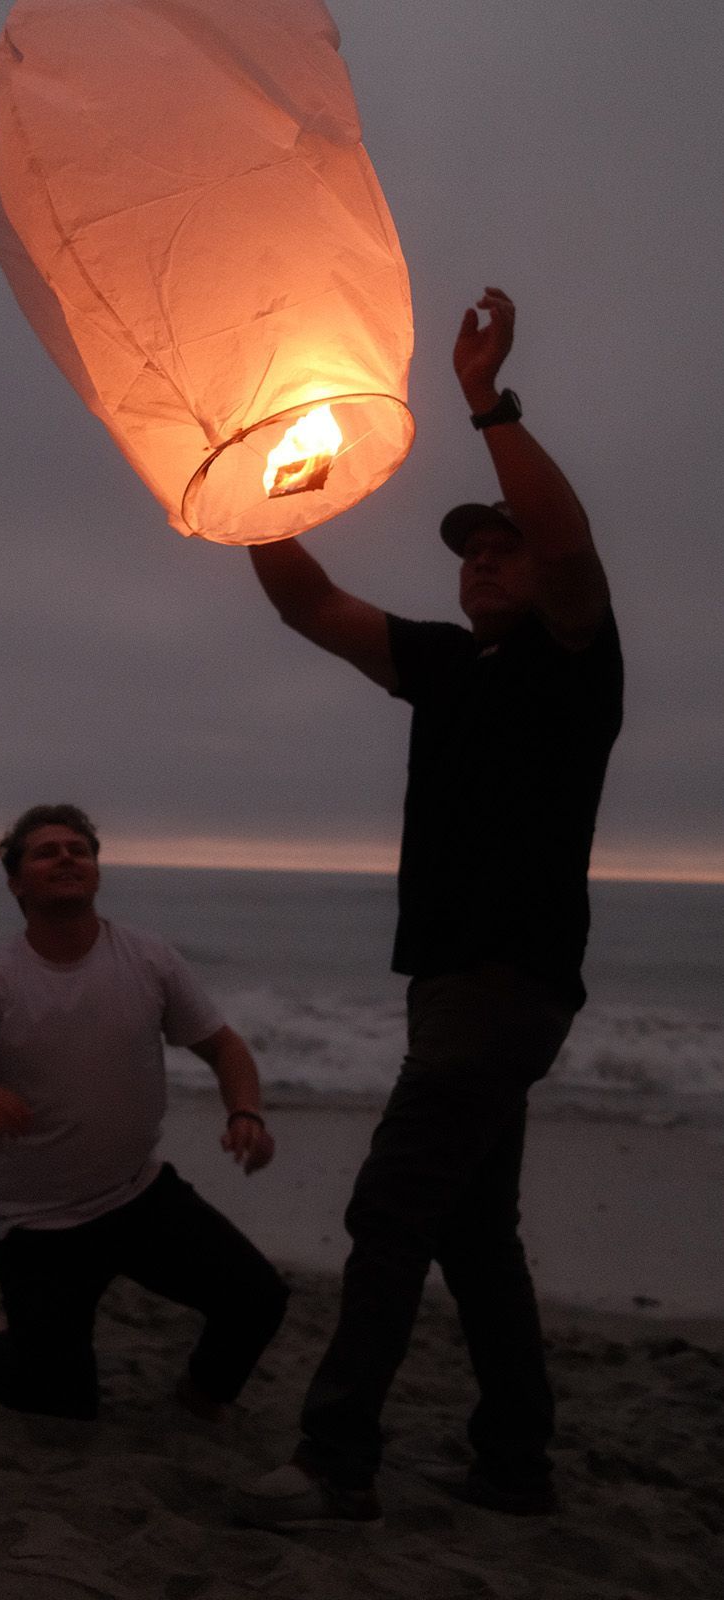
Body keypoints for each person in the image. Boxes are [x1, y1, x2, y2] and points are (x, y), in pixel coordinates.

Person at [234, 288, 623, 1529]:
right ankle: (515, 1462)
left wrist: (485, 402)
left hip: (502, 986)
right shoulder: (446, 665)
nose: (483, 557)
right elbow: (308, 606)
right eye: (467, 546)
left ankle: (333, 1457)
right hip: (453, 984)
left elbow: (567, 550)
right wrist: (248, 501)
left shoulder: (574, 657)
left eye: (498, 543)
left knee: (388, 1208)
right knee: (469, 1230)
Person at [0, 804, 289, 1424]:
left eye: (80, 848)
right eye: (46, 851)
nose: (67, 857)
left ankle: (200, 1396)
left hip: (138, 1193)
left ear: (96, 871)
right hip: (39, 1223)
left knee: (259, 1300)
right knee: (61, 1405)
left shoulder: (149, 959)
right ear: (16, 883)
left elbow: (223, 1046)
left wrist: (247, 1113)